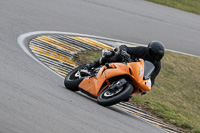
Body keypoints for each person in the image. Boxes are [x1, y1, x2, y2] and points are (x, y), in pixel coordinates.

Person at [86, 41, 165, 87]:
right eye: (154, 54)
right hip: (125, 63)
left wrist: (148, 86)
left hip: (135, 75)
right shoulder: (142, 50)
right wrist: (124, 51)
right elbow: (125, 47)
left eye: (158, 56)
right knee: (114, 56)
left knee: (129, 95)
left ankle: (120, 91)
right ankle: (95, 63)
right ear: (149, 50)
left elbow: (152, 79)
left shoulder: (157, 65)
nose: (155, 57)